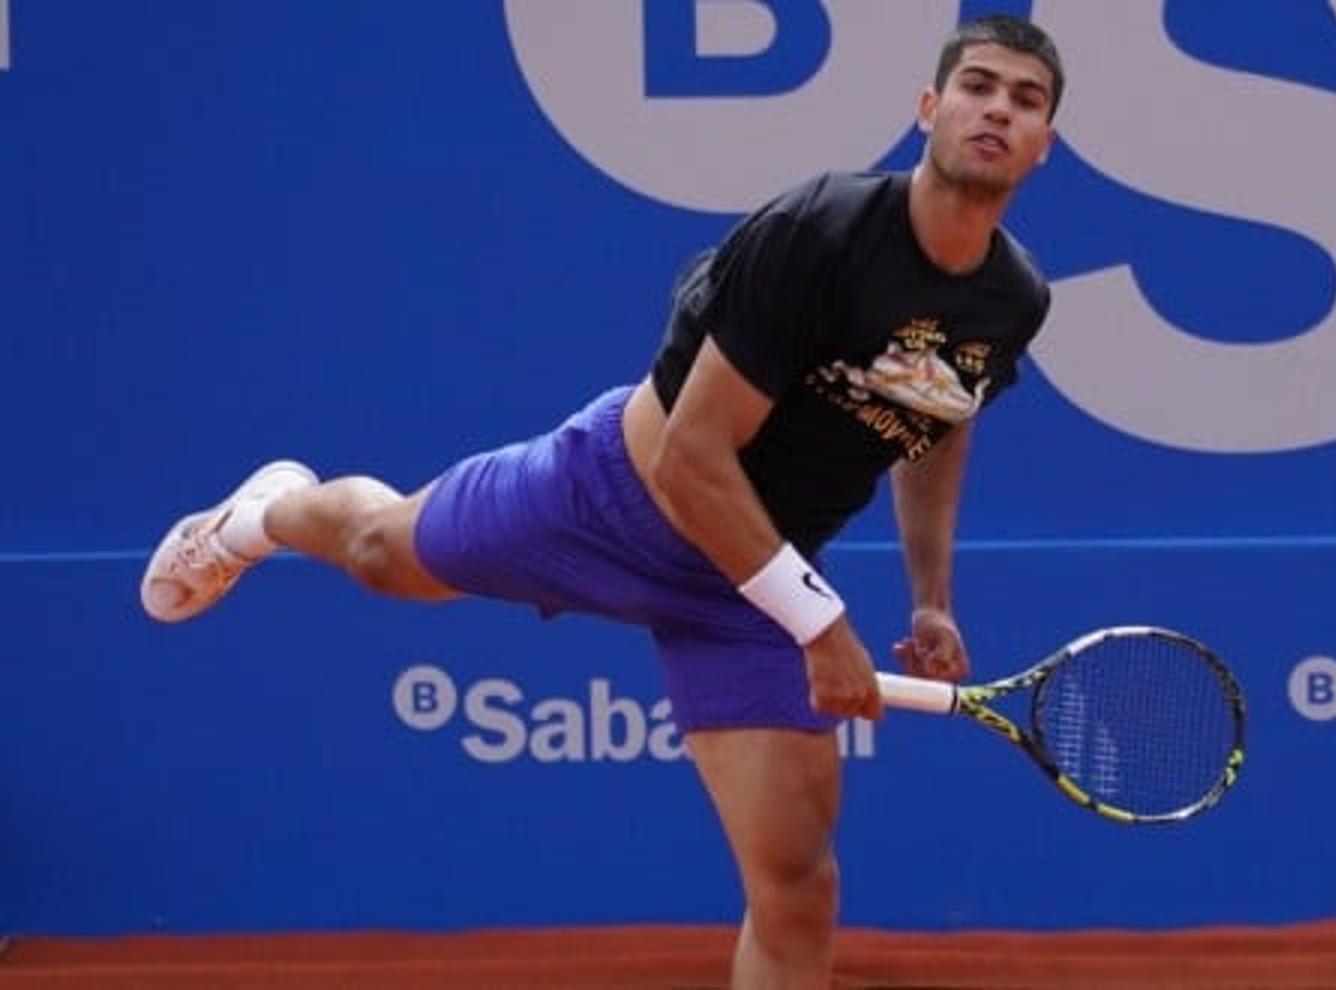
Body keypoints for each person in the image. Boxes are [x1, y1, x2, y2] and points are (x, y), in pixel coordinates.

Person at [139, 13, 1062, 989]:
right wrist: (818, 621)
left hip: (746, 580)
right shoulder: (822, 234)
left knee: (797, 886)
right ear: (929, 108)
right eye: (978, 85)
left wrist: (929, 595)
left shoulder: (1014, 303)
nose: (998, 108)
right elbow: (692, 461)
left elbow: (941, 415)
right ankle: (261, 514)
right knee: (380, 552)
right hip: (611, 497)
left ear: (1046, 144)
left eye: (1026, 99)